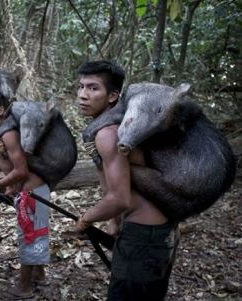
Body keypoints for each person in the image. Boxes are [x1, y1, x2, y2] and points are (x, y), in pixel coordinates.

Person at [74, 60, 178, 300]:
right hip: (159, 231)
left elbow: (118, 197)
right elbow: (113, 183)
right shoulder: (116, 126)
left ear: (113, 96)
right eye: (80, 87)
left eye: (93, 88)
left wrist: (84, 221)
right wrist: (114, 222)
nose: (82, 95)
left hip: (144, 236)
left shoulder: (110, 134)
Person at [0, 88, 50, 300]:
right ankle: (39, 275)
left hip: (32, 192)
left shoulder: (7, 133)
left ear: (0, 110)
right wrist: (10, 186)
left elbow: (21, 170)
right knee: (36, 234)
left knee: (29, 237)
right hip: (31, 190)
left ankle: (23, 287)